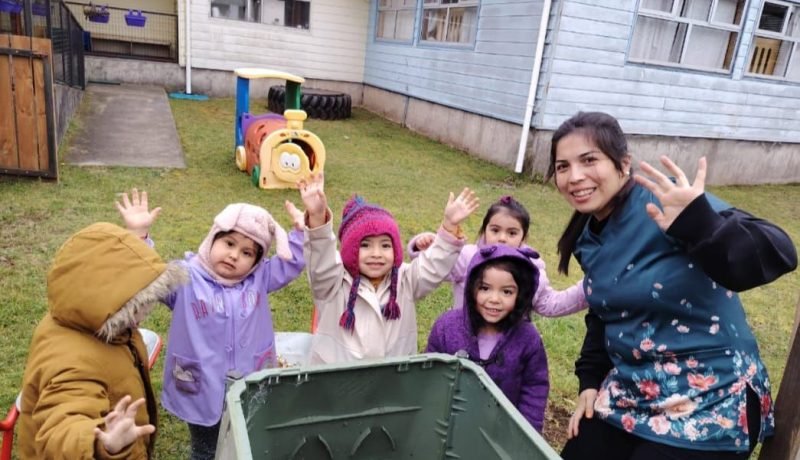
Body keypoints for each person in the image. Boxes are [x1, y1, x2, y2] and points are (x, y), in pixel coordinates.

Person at [547, 112, 797, 459]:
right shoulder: (587, 236)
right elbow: (605, 310)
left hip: (713, 397)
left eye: (589, 160)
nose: (575, 177)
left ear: (623, 163)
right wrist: (590, 381)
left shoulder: (664, 204)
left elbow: (779, 250)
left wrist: (701, 224)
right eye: (563, 166)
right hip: (634, 393)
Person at [116, 189, 306, 460]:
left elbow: (292, 263)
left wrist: (299, 234)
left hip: (248, 381)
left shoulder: (259, 279)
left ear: (256, 260)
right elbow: (148, 277)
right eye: (228, 243)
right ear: (212, 238)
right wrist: (139, 236)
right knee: (206, 448)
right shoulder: (185, 276)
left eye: (247, 252)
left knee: (246, 439)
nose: (234, 255)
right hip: (200, 386)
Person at [17, 222, 188, 459]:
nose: (144, 315)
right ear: (110, 301)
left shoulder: (86, 317)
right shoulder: (72, 360)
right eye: (137, 306)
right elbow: (61, 425)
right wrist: (100, 443)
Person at [292, 173, 479, 364]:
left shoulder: (406, 280)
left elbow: (434, 265)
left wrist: (449, 226)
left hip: (391, 383)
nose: (376, 253)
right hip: (337, 384)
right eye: (365, 245)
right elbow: (320, 261)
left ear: (395, 250)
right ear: (349, 250)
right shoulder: (333, 282)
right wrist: (317, 219)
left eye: (385, 245)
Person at [425, 244, 550, 432]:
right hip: (447, 426)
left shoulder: (528, 338)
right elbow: (429, 372)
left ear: (521, 295)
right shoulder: (447, 326)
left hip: (498, 432)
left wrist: (526, 434)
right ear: (471, 288)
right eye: (485, 288)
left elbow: (534, 388)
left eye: (507, 291)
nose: (494, 299)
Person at [408, 195, 587, 316]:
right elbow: (434, 267)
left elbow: (548, 303)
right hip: (463, 342)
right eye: (495, 230)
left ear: (523, 238)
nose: (502, 238)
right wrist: (428, 245)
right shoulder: (468, 257)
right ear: (484, 231)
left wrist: (588, 289)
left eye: (512, 233)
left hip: (507, 351)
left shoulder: (531, 269)